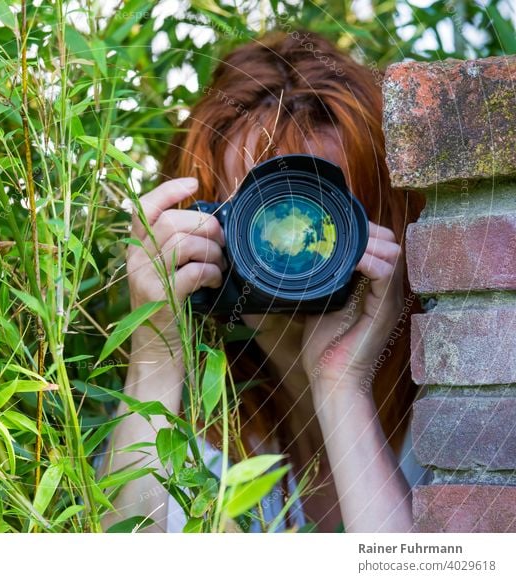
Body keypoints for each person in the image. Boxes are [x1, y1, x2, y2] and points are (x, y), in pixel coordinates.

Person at [97, 29, 428, 533]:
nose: (290, 248)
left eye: (320, 215)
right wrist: (156, 343)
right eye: (262, 215)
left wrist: (343, 385)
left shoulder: (455, 415)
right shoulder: (199, 438)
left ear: (386, 223)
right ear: (205, 227)